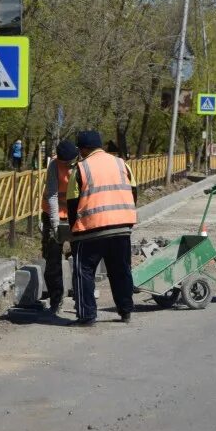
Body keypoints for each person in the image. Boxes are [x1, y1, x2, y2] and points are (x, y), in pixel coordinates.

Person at [65, 130, 136, 326]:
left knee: (84, 272)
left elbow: (72, 203)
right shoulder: (122, 164)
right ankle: (126, 311)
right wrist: (126, 219)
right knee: (121, 271)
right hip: (121, 228)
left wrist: (74, 230)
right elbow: (133, 192)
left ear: (84, 149)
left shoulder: (80, 168)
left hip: (91, 230)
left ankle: (87, 316)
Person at [41, 140, 78, 313]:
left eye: (68, 162)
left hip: (76, 218)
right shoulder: (55, 165)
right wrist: (55, 225)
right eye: (64, 162)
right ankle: (56, 300)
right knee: (52, 261)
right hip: (53, 216)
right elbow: (52, 194)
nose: (66, 165)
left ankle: (81, 299)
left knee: (81, 259)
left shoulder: (83, 164)